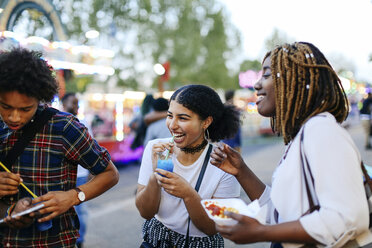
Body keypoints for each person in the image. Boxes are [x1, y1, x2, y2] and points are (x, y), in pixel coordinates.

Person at [210, 42, 371, 247]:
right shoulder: (301, 136)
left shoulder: (321, 130)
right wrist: (241, 171)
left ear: (293, 82)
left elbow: (347, 218)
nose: (257, 84)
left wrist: (261, 232)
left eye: (267, 75)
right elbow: (280, 214)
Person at [0, 47, 120, 247]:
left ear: (40, 98)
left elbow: (110, 174)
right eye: (5, 106)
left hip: (53, 241)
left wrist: (73, 197)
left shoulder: (64, 127)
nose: (14, 117)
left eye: (25, 109)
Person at [135, 84, 241, 247]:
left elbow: (213, 227)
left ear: (206, 122)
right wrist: (155, 177)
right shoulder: (156, 148)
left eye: (183, 118)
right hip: (156, 239)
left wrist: (188, 195)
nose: (172, 125)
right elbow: (145, 212)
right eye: (170, 116)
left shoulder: (224, 163)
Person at [61, 92, 91, 248]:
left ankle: (79, 240)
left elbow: (93, 151)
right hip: (63, 174)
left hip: (80, 174)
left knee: (80, 209)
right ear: (64, 103)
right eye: (74, 103)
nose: (77, 107)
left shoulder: (83, 122)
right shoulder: (57, 122)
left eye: (78, 104)